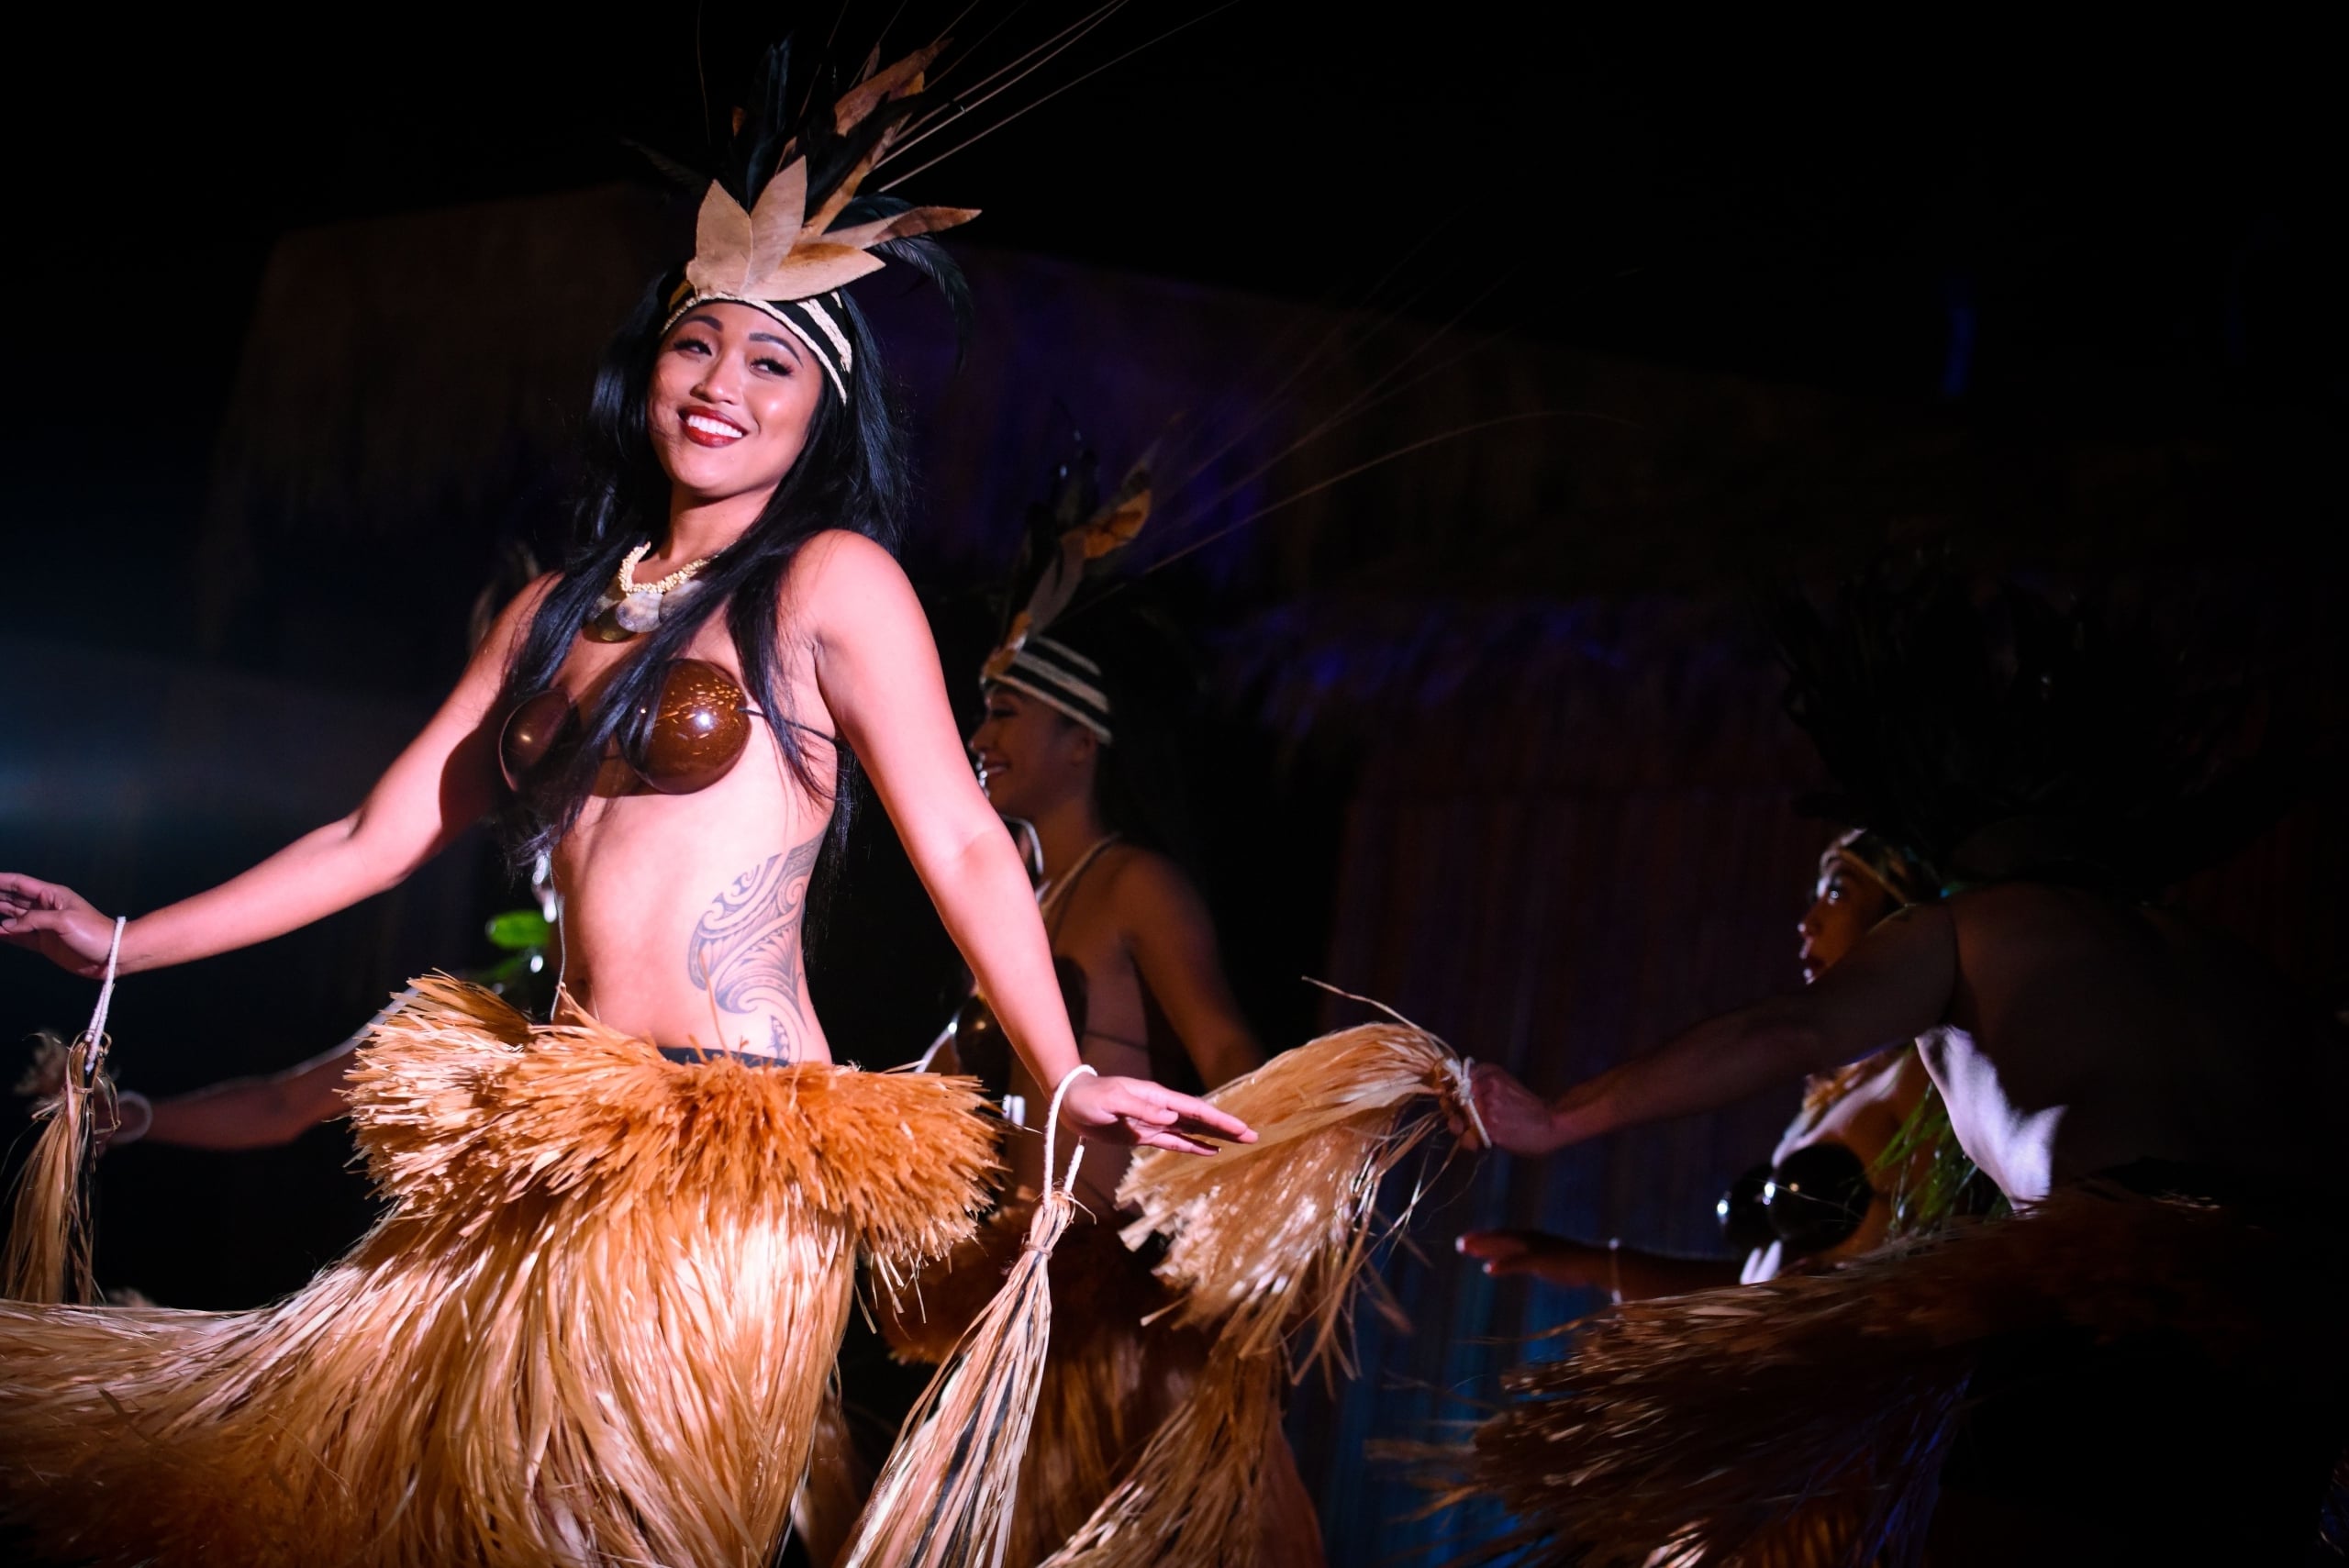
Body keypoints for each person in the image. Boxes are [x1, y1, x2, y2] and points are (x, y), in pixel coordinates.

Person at [0, 40, 1249, 1568]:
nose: (724, 386)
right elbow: (374, 833)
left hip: (730, 1145)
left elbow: (967, 840)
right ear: (647, 363)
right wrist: (127, 935)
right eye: (697, 345)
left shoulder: (830, 586)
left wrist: (1060, 1074)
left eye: (773, 363)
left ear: (820, 414)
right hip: (551, 1122)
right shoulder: (549, 608)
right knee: (422, 1509)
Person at [1446, 574, 2347, 1566]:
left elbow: (1787, 1028)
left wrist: (1561, 1118)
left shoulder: (1970, 925)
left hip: (2111, 1300)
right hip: (2295, 1321)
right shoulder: (2237, 968)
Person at [884, 450, 1322, 1564]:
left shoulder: (1135, 884)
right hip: (1025, 1272)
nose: (979, 739)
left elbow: (1223, 1042)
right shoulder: (1015, 907)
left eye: (1006, 713)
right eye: (980, 714)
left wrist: (1266, 1211)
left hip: (1121, 1271)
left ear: (1082, 741)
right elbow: (942, 1075)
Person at [1457, 828, 1940, 1299]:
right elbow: (1759, 1293)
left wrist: (1556, 1118)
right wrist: (1592, 1266)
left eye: (1837, 893)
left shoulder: (1931, 1073)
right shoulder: (1838, 1095)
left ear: (1902, 916)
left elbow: (1929, 1281)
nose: (1808, 921)